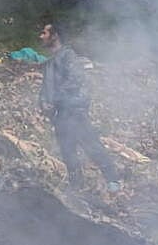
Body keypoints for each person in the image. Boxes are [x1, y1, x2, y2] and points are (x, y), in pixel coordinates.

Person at [37, 22, 121, 192]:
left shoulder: (68, 56)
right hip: (60, 114)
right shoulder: (50, 62)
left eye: (44, 33)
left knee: (91, 145)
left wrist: (55, 100)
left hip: (73, 110)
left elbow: (75, 80)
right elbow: (46, 88)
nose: (41, 36)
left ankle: (113, 181)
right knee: (67, 151)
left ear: (55, 35)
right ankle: (76, 186)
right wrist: (43, 102)